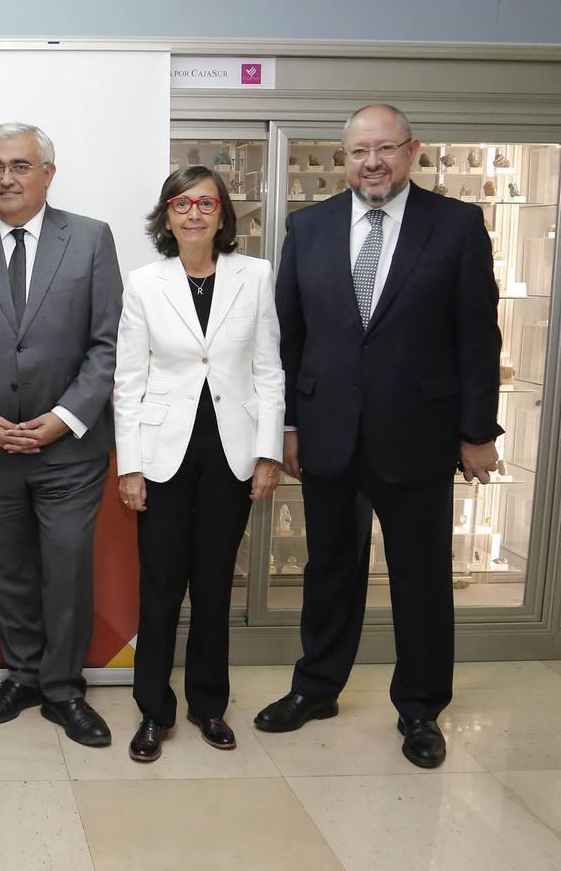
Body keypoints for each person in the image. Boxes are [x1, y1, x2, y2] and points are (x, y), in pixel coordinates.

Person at [257, 104, 502, 769]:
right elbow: (289, 337)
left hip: (419, 437)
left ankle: (421, 709)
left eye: (386, 149)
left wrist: (477, 432)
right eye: (360, 151)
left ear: (412, 150)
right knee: (329, 570)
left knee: (420, 578)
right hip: (327, 434)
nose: (372, 162)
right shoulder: (307, 228)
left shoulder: (455, 226)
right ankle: (315, 689)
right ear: (344, 158)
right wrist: (286, 425)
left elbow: (478, 338)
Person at [0, 122, 121, 748]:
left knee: (64, 569)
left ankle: (64, 690)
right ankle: (23, 676)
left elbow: (107, 344)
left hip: (69, 450)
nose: (5, 178)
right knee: (7, 569)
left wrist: (63, 418)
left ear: (47, 173)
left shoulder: (90, 239)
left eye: (18, 165)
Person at [114, 166, 284, 762]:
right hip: (163, 455)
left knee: (213, 587)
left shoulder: (255, 276)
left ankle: (209, 704)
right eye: (181, 204)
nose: (193, 214)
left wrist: (268, 453)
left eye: (205, 203)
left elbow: (268, 369)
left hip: (231, 455)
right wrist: (129, 466)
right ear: (166, 215)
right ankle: (153, 711)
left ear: (222, 214)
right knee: (160, 588)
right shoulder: (143, 283)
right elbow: (128, 379)